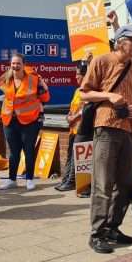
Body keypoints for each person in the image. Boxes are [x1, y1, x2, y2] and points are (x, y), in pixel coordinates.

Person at [80, 24, 132, 253]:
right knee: (103, 182)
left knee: (126, 184)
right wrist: (109, 95)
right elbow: (84, 93)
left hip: (131, 129)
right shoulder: (101, 61)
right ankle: (97, 233)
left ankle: (113, 227)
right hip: (106, 126)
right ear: (120, 41)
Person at [0, 53, 50, 191]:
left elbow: (45, 98)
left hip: (30, 120)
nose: (15, 66)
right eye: (13, 63)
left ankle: (29, 179)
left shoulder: (34, 79)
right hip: (9, 120)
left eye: (18, 63)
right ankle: (12, 179)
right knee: (14, 152)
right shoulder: (5, 79)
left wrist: (43, 86)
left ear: (23, 64)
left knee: (28, 150)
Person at [55, 60, 90, 196]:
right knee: (71, 155)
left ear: (85, 75)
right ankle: (66, 179)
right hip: (73, 128)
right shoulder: (77, 91)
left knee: (78, 158)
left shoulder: (88, 90)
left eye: (78, 75)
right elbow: (73, 108)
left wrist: (74, 117)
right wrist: (69, 117)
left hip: (83, 128)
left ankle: (72, 181)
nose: (76, 77)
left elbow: (85, 109)